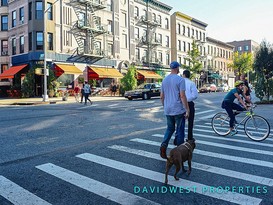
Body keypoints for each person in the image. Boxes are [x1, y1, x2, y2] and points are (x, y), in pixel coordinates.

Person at [160, 61, 190, 159]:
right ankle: (179, 152)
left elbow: (162, 96)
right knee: (180, 130)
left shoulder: (164, 80)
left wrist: (165, 106)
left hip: (168, 108)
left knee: (170, 128)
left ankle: (163, 146)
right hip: (178, 109)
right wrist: (187, 109)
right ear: (177, 68)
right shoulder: (180, 80)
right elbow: (182, 95)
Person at [182, 70, 198, 141]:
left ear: (183, 75)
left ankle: (179, 137)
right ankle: (189, 137)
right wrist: (188, 99)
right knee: (190, 122)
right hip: (189, 103)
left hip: (181, 103)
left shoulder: (180, 82)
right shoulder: (191, 83)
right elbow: (195, 95)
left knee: (180, 121)